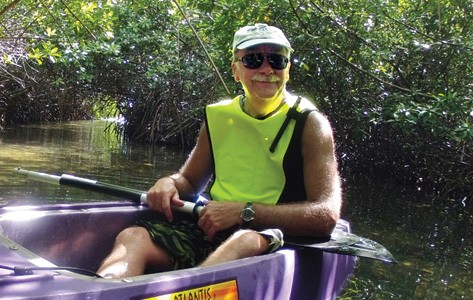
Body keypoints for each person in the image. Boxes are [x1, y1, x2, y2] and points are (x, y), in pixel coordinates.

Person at [97, 23, 342, 278]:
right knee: (133, 236)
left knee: (243, 240)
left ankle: (191, 290)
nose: (267, 68)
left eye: (277, 60)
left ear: (287, 69)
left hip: (269, 235)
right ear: (236, 70)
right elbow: (190, 182)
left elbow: (326, 215)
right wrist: (167, 183)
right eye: (253, 59)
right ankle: (103, 292)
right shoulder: (219, 117)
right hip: (211, 228)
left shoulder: (311, 124)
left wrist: (243, 212)